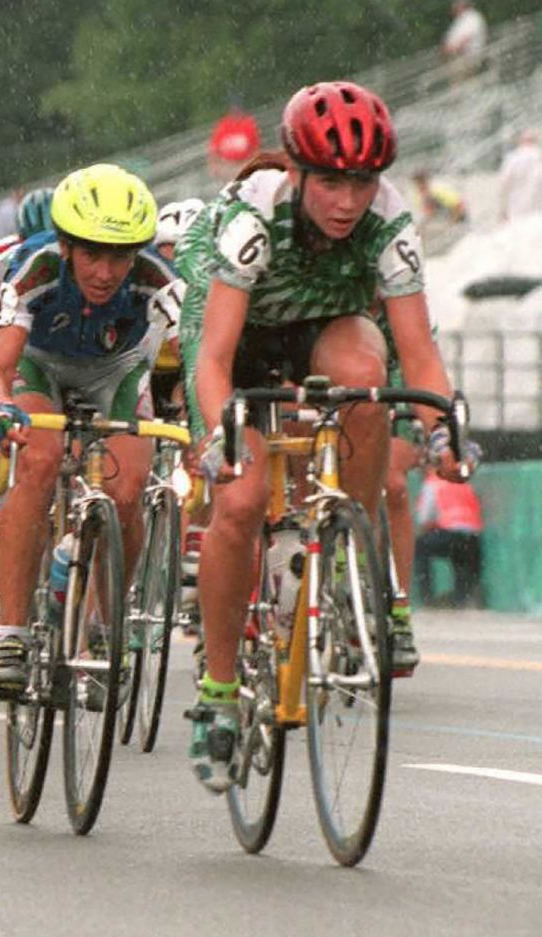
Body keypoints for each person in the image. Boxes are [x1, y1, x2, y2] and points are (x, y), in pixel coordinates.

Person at [175, 81, 478, 793]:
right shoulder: (252, 217)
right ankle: (218, 690)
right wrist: (219, 436)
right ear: (299, 173)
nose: (348, 202)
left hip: (321, 324)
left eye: (363, 183)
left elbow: (420, 355)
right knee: (244, 501)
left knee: (369, 381)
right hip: (235, 337)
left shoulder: (390, 221)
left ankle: (348, 546)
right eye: (333, 183)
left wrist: (445, 433)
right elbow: (213, 361)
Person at [0, 165, 175, 699]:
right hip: (41, 365)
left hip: (118, 369)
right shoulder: (35, 270)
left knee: (129, 488)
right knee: (38, 461)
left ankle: (104, 625)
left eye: (119, 256)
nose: (106, 272)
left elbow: (197, 354)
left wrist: (201, 427)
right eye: (92, 254)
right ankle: (11, 633)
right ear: (65, 247)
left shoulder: (159, 279)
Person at [414, 465, 483, 607]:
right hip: (472, 536)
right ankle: (462, 598)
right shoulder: (463, 482)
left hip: (448, 532)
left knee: (419, 547)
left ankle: (427, 597)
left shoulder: (432, 483)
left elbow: (425, 519)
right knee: (461, 558)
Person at [497, 129, 542, 222]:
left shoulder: (513, 159)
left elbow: (503, 184)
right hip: (537, 212)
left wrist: (502, 209)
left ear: (521, 141)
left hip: (516, 210)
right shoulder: (539, 157)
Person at [441, 2, 488, 81]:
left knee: (462, 83)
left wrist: (453, 50)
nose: (453, 7)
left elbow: (466, 38)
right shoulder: (460, 20)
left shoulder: (471, 17)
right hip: (458, 60)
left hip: (466, 59)